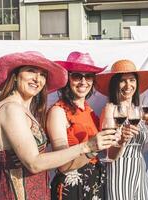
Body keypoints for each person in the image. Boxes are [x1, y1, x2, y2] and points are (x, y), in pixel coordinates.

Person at [0, 51, 117, 200]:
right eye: (31, 71)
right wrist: (86, 147)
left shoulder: (18, 108)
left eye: (42, 74)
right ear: (15, 76)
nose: (37, 78)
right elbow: (34, 164)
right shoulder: (12, 109)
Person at [47, 52, 108, 200]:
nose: (83, 81)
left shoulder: (89, 110)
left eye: (88, 76)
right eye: (77, 76)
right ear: (67, 79)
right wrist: (92, 151)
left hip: (94, 181)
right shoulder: (58, 112)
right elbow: (62, 165)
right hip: (72, 186)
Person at [95, 59, 148, 200]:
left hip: (139, 171)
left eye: (132, 80)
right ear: (115, 84)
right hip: (119, 172)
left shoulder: (139, 111)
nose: (128, 85)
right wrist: (122, 140)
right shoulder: (110, 110)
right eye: (123, 80)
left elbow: (143, 146)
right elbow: (109, 155)